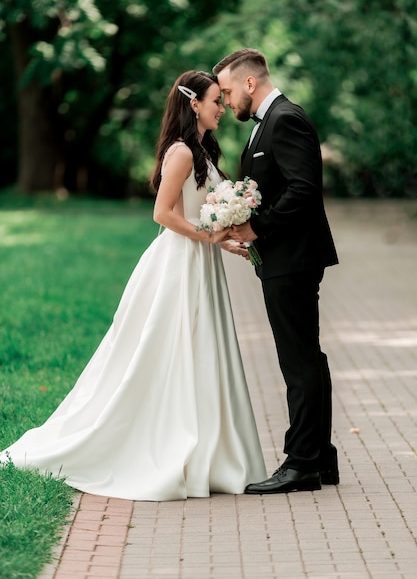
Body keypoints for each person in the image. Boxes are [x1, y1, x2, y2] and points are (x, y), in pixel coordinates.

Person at [0, 70, 266, 501]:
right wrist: (208, 237)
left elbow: (200, 211)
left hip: (200, 262)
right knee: (169, 353)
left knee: (202, 352)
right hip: (179, 264)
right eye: (216, 100)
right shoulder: (180, 151)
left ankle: (211, 456)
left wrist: (226, 236)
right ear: (193, 104)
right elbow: (163, 214)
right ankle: (162, 446)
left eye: (222, 99)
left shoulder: (202, 149)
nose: (222, 107)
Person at [213, 49, 339, 494]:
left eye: (227, 91)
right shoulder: (266, 124)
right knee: (307, 357)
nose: (226, 102)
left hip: (295, 259)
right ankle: (320, 457)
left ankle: (301, 463)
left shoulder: (286, 118)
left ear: (250, 83)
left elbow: (305, 189)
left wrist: (255, 228)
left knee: (298, 360)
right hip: (285, 257)